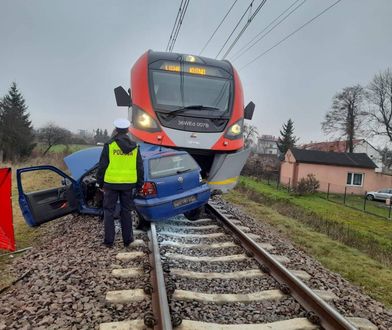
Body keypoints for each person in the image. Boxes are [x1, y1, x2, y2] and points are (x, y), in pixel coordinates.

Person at [96, 118, 144, 248]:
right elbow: (140, 167)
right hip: (128, 184)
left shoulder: (110, 145)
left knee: (109, 211)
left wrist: (99, 183)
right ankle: (128, 240)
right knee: (126, 211)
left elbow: (102, 166)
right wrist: (140, 184)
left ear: (116, 130)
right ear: (128, 130)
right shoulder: (135, 146)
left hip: (111, 183)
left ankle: (108, 242)